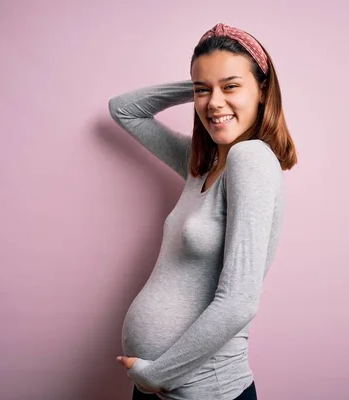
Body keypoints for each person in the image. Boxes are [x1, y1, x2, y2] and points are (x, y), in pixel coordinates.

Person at [108, 22, 297, 400]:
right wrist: (204, 82)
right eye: (202, 91)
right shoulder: (204, 165)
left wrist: (157, 374)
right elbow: (124, 110)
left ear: (262, 90)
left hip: (201, 390)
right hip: (159, 384)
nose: (214, 103)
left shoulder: (251, 158)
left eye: (231, 87)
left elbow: (239, 302)